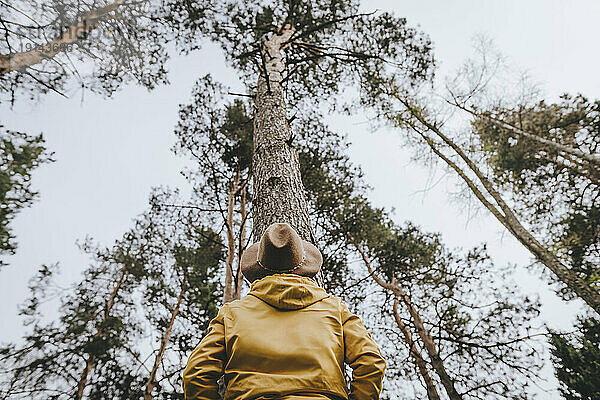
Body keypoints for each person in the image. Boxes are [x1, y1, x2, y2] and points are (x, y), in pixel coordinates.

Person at [183, 222, 386, 400]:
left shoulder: (232, 314)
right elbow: (370, 362)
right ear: (303, 266)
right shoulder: (334, 308)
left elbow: (197, 373)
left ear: (259, 268)